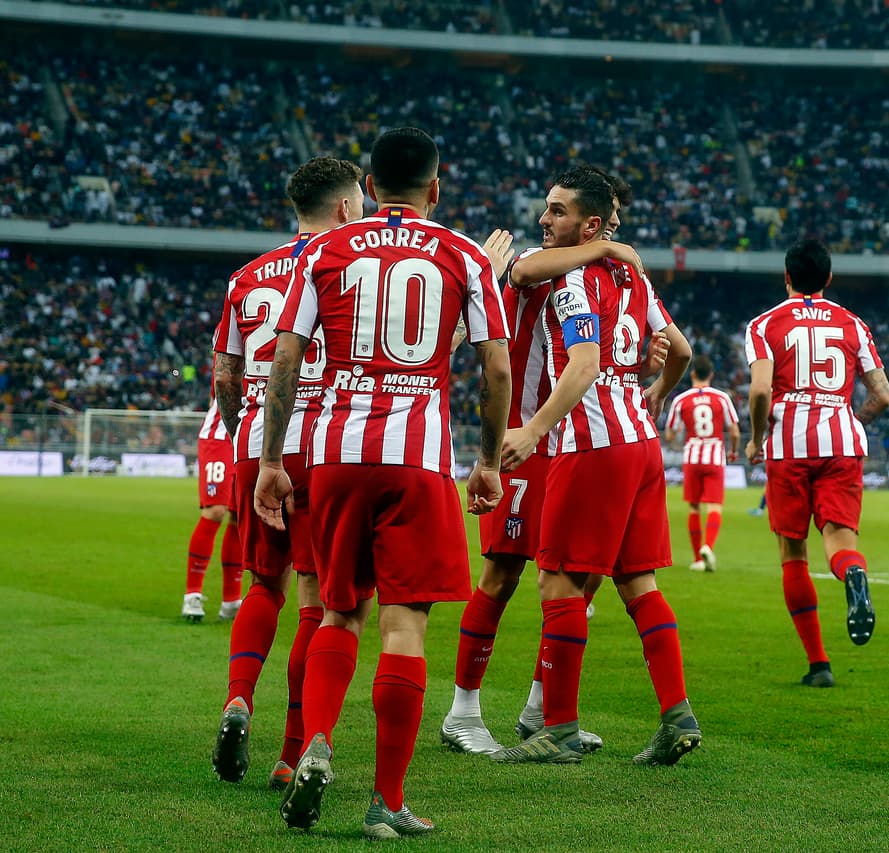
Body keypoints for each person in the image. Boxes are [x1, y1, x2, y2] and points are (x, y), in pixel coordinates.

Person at [254, 127, 512, 837]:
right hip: (417, 460)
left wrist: (272, 460)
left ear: (368, 187)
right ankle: (385, 802)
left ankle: (315, 743)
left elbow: (285, 359)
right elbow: (495, 367)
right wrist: (488, 460)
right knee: (405, 625)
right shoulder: (464, 255)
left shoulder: (324, 250)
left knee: (338, 613)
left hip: (335, 455)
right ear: (436, 187)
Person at [440, 169, 661, 756]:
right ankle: (462, 713)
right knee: (502, 574)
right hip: (524, 439)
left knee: (578, 580)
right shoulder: (542, 263)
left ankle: (543, 709)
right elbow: (521, 271)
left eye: (615, 224)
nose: (545, 219)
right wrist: (607, 249)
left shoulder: (600, 279)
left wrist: (652, 356)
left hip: (572, 440)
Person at [489, 165, 700, 766]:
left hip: (591, 444)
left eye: (557, 211)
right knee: (638, 583)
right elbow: (682, 350)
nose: (543, 219)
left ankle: (556, 728)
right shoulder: (633, 278)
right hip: (640, 442)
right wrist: (656, 391)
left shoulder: (573, 279)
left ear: (589, 223)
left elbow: (582, 364)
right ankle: (677, 715)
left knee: (557, 581)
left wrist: (533, 429)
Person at [209, 156, 364, 790]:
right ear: (346, 208)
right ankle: (291, 752)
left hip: (255, 438)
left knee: (261, 583)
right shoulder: (351, 266)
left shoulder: (247, 275)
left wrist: (239, 431)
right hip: (321, 440)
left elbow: (224, 375)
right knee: (316, 599)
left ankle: (238, 699)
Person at [744, 239, 889, 688]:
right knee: (839, 541)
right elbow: (883, 395)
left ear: (787, 276)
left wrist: (756, 439)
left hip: (789, 445)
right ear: (828, 278)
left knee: (793, 554)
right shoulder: (852, 323)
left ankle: (819, 664)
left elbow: (760, 391)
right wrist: (852, 420)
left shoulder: (764, 325)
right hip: (841, 441)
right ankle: (853, 572)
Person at [664, 355, 740, 571]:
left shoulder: (681, 400)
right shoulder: (722, 398)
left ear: (693, 374)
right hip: (714, 456)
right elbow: (734, 431)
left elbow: (669, 434)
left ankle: (697, 559)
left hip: (692, 457)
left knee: (694, 507)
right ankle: (708, 546)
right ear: (711, 374)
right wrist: (734, 451)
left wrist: (678, 435)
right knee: (714, 506)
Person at [182, 395, 242, 623]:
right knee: (216, 509)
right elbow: (218, 391)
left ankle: (231, 600)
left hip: (251, 437)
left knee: (239, 515)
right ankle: (192, 595)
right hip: (220, 436)